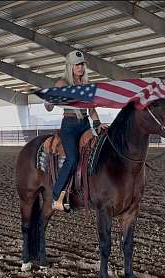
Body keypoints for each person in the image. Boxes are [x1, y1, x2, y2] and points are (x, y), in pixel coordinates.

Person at [45, 50, 107, 211]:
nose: (80, 67)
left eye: (82, 64)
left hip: (85, 124)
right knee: (72, 158)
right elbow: (49, 106)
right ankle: (56, 195)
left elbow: (92, 109)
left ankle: (91, 189)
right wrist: (50, 100)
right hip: (70, 125)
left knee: (99, 151)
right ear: (70, 67)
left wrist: (97, 124)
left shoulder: (86, 86)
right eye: (77, 65)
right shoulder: (62, 83)